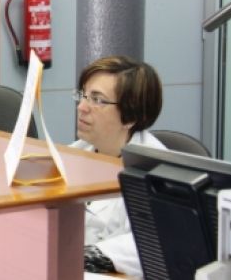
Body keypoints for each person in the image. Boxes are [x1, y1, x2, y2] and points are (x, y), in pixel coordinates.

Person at [70, 55, 166, 279]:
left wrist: (86, 256)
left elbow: (151, 245)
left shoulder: (157, 171)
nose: (82, 107)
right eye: (83, 95)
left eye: (98, 100)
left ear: (130, 116)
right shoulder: (75, 152)